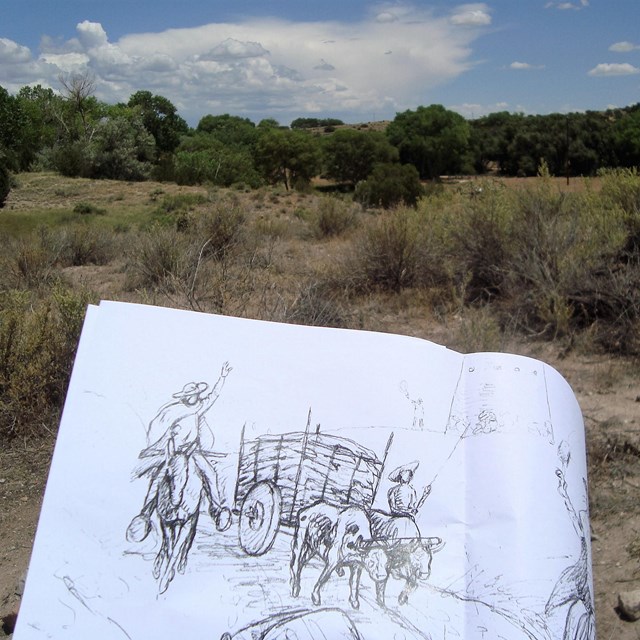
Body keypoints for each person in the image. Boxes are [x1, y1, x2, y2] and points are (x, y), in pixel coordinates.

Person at [131, 362, 233, 534]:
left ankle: (216, 509)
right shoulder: (174, 411)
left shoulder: (199, 407)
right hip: (173, 452)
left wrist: (222, 377)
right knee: (159, 477)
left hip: (192, 452)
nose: (195, 397)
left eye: (196, 394)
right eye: (192, 394)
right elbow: (159, 428)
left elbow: (214, 395)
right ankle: (144, 515)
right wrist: (165, 449)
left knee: (209, 472)